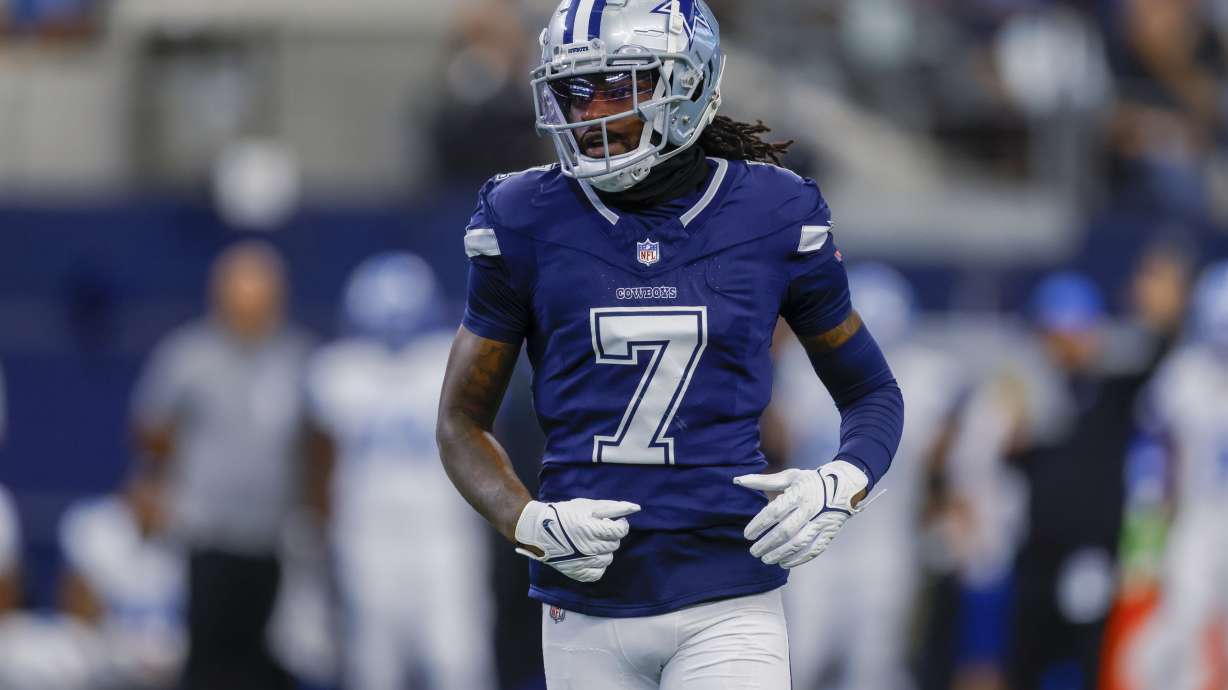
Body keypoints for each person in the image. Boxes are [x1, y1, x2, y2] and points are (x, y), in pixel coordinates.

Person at [435, 2, 905, 688]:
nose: (589, 112)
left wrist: (843, 481)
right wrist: (526, 519)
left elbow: (871, 392)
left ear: (688, 85)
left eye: (618, 86)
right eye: (573, 89)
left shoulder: (771, 211)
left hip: (730, 598)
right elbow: (459, 420)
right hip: (585, 603)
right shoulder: (521, 216)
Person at [306, 253, 494, 690]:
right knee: (374, 665)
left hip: (443, 534)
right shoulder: (338, 372)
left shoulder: (447, 363)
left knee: (457, 659)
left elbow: (488, 447)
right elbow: (319, 463)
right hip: (366, 535)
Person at [131, 241, 313, 690]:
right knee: (209, 656)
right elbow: (152, 427)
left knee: (271, 659)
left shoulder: (297, 357)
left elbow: (316, 441)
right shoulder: (189, 355)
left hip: (276, 536)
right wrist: (155, 485)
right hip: (207, 530)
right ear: (220, 297)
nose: (251, 310)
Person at [773, 264, 964, 690]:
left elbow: (944, 455)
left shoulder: (927, 376)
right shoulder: (800, 370)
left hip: (885, 539)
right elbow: (778, 444)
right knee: (799, 658)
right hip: (812, 541)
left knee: (875, 665)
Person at [1138, 261, 1228, 690]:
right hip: (1196, 514)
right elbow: (1154, 447)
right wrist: (1151, 514)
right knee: (1181, 623)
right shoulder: (1184, 374)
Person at [58, 474, 185, 689]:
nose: (154, 500)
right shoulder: (95, 527)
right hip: (108, 658)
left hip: (171, 661)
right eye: (148, 490)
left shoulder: (187, 536)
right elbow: (79, 611)